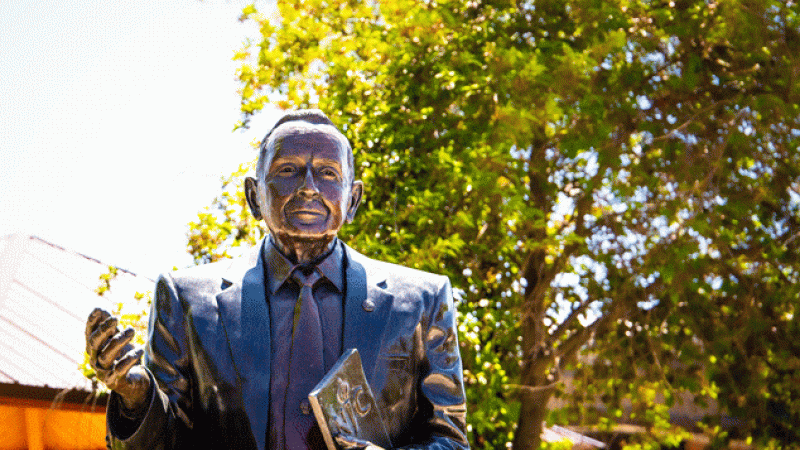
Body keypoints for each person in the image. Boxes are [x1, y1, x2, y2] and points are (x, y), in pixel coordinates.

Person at [85, 109, 469, 450]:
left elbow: (449, 438)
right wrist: (137, 398)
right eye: (287, 170)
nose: (308, 187)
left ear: (352, 200)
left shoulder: (422, 300)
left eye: (327, 173)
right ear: (253, 197)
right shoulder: (186, 300)